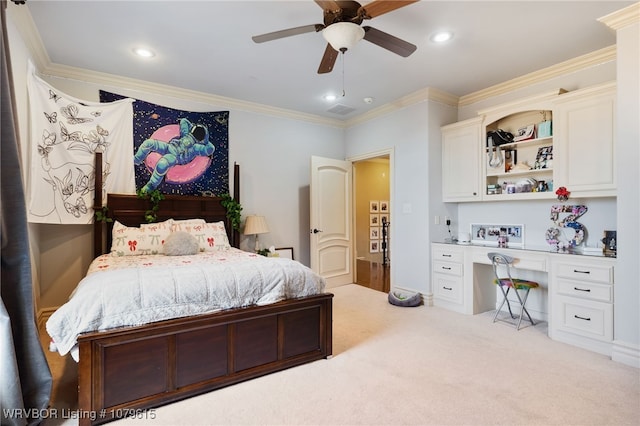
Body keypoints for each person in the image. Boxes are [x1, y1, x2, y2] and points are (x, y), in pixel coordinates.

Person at [134, 118, 215, 192]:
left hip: (175, 157)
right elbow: (184, 121)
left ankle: (151, 185)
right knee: (149, 143)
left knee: (162, 164)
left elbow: (210, 149)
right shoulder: (185, 134)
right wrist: (195, 128)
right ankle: (136, 160)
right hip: (169, 147)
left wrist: (205, 140)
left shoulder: (196, 148)